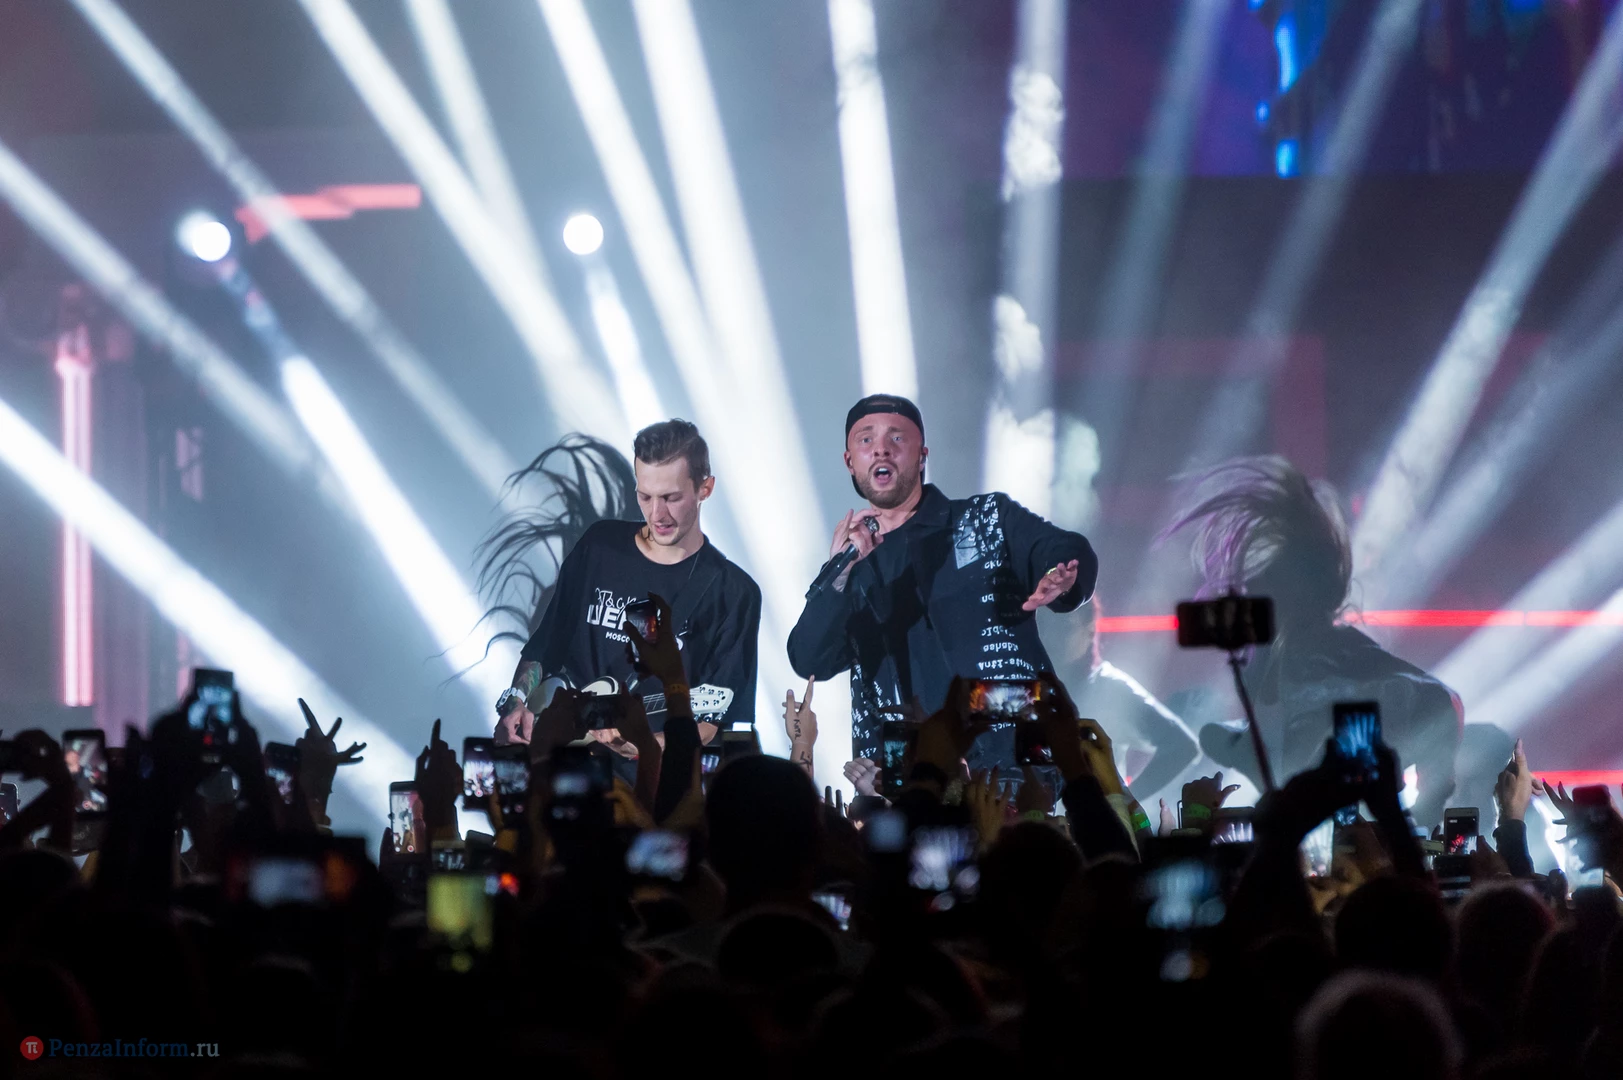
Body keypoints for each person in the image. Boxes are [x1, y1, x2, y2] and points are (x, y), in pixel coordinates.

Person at [787, 393, 1098, 770]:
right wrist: (837, 575)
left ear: (922, 456)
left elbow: (1064, 547)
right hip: (906, 774)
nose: (881, 449)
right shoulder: (854, 568)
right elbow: (809, 659)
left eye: (897, 437)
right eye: (866, 439)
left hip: (1009, 762)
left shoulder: (983, 520)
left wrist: (1058, 574)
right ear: (850, 462)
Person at [1161, 456, 1462, 826]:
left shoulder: (1354, 674)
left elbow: (1437, 702)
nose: (1245, 601)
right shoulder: (1260, 684)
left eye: (1258, 589)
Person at [491, 420, 762, 750]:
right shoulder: (599, 545)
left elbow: (708, 724)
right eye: (645, 496)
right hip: (560, 764)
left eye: (672, 498)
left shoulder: (733, 592)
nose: (657, 514)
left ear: (705, 489)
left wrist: (639, 747)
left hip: (644, 777)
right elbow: (544, 646)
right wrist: (517, 700)